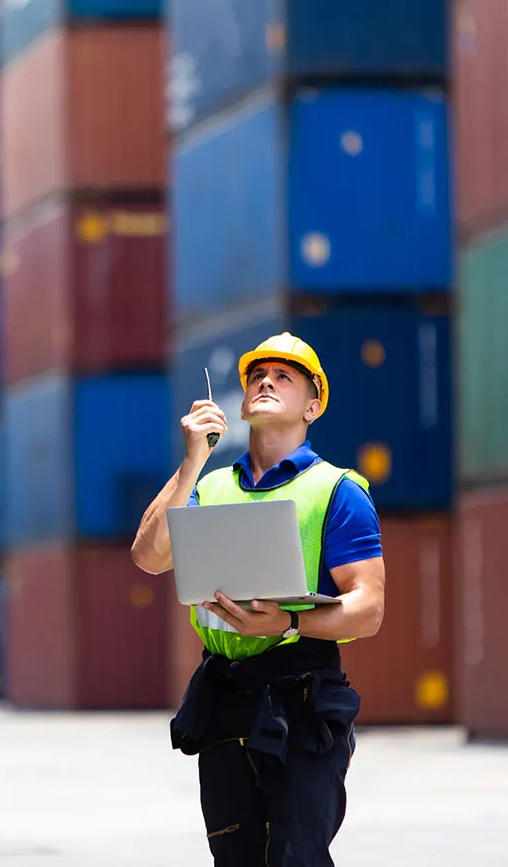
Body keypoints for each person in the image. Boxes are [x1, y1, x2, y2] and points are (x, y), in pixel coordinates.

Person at [131, 332, 385, 867]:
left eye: (284, 376)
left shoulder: (337, 490)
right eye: (255, 377)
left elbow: (369, 608)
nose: (265, 381)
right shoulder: (211, 486)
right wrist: (191, 462)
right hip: (224, 701)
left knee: (296, 858)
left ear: (313, 406)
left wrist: (287, 624)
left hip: (302, 697)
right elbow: (149, 557)